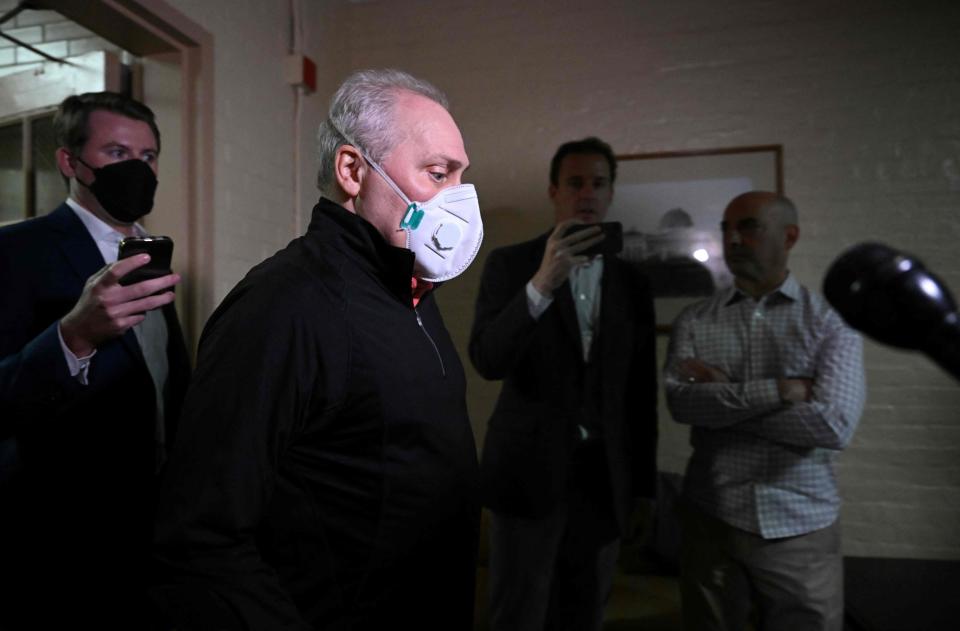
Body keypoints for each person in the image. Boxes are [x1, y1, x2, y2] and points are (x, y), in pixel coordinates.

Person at [151, 69, 482, 630]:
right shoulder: (283, 305)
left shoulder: (408, 290)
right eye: (436, 173)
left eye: (460, 177)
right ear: (353, 170)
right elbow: (203, 533)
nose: (458, 200)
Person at [0, 91, 190, 628]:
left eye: (148, 157)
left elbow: (160, 380)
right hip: (56, 533)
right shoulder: (15, 252)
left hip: (151, 524)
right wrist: (73, 336)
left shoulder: (154, 256)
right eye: (116, 153)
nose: (137, 169)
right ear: (71, 162)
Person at [470, 137, 659, 631]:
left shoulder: (634, 284)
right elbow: (488, 359)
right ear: (554, 191)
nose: (587, 194)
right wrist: (543, 283)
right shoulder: (511, 265)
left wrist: (643, 489)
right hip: (528, 474)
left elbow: (639, 394)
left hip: (604, 479)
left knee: (584, 613)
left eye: (598, 183)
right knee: (517, 612)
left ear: (611, 192)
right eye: (575, 183)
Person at [664, 191, 866, 631]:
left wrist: (725, 397)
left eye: (749, 226)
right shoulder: (695, 320)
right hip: (711, 519)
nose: (733, 238)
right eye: (726, 228)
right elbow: (681, 403)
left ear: (789, 236)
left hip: (800, 527)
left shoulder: (829, 322)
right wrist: (783, 390)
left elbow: (833, 425)